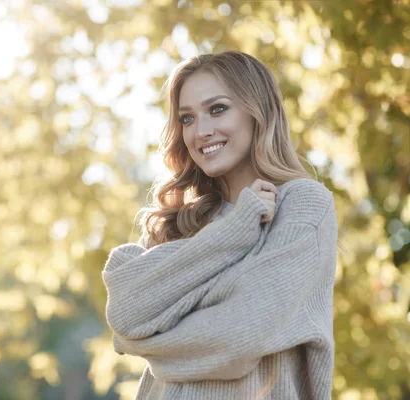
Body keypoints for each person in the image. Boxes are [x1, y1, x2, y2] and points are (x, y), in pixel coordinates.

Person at [101, 51, 338, 399]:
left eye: (217, 109)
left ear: (258, 110)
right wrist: (234, 230)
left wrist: (151, 336)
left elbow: (239, 338)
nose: (201, 131)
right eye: (187, 118)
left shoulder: (303, 205)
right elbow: (124, 314)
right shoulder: (180, 223)